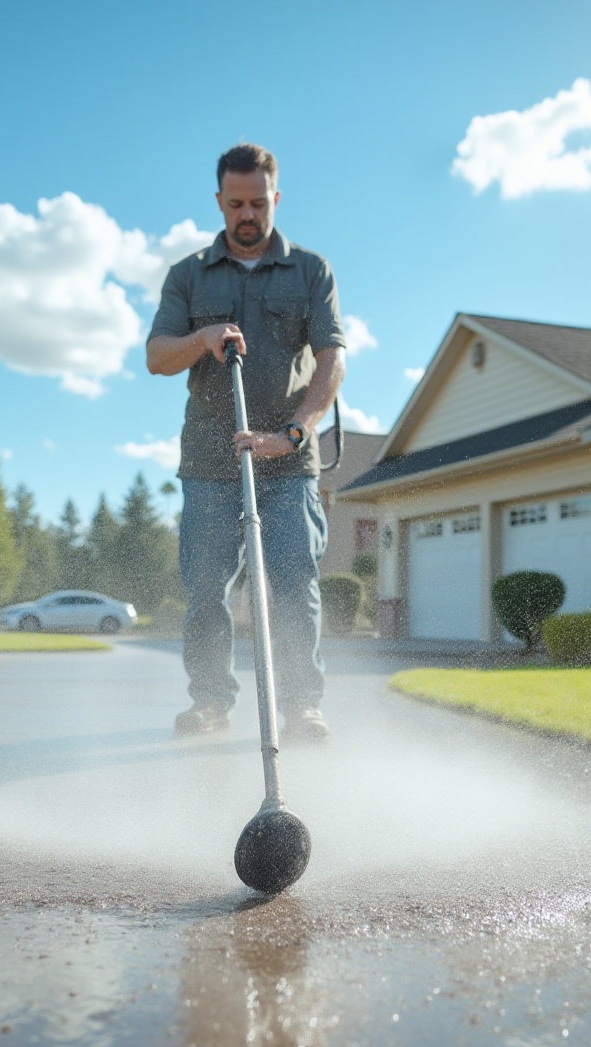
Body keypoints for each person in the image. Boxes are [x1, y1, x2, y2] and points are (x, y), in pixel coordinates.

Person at [147, 143, 347, 741]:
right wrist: (202, 335)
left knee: (292, 586)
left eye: (259, 203)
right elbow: (158, 356)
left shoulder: (311, 271)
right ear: (219, 202)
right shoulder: (188, 274)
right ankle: (210, 703)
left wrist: (293, 433)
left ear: (275, 198)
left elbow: (332, 358)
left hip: (286, 460)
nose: (248, 215)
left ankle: (301, 706)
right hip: (210, 458)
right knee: (206, 588)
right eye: (235, 204)